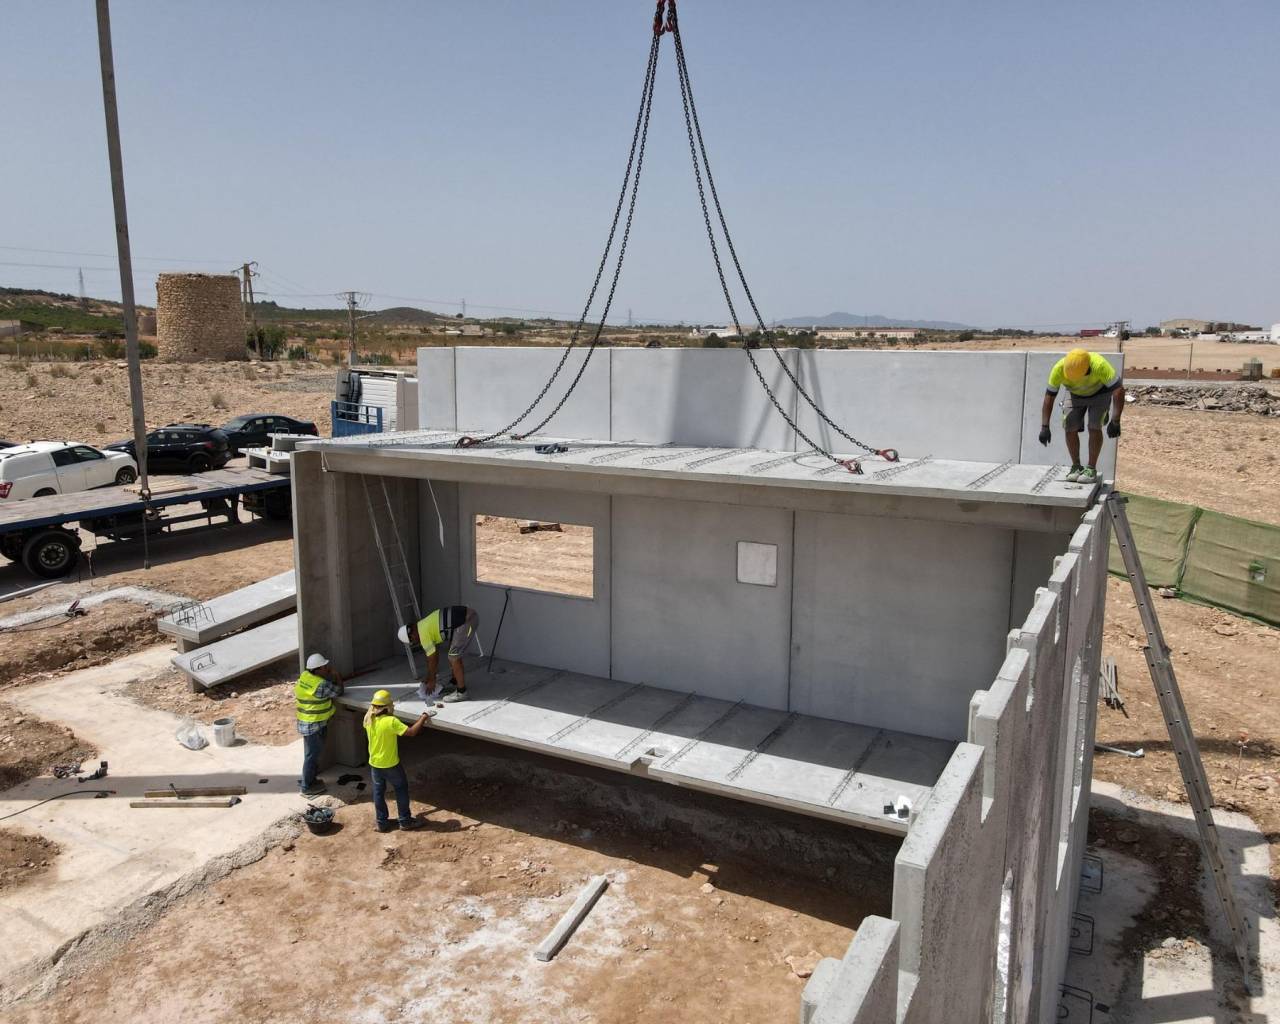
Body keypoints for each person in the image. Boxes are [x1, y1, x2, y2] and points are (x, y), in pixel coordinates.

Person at [1038, 347, 1125, 483]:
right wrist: (1044, 427)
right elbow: (1049, 397)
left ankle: (1090, 469)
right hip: (1074, 395)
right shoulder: (1058, 369)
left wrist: (1116, 420)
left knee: (1094, 426)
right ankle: (1076, 467)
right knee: (1069, 426)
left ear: (1088, 369)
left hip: (1100, 394)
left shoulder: (1099, 365)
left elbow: (1118, 391)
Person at [363, 689, 431, 833]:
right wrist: (424, 717)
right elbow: (412, 732)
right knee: (401, 789)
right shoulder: (390, 721)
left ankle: (382, 823)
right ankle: (405, 821)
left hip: (374, 764)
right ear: (387, 707)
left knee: (378, 793)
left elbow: (373, 710)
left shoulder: (369, 718)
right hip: (390, 764)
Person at [396, 605, 480, 703]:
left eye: (413, 641)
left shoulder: (423, 634)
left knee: (453, 657)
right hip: (468, 617)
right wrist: (429, 676)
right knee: (453, 651)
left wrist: (432, 680)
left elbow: (433, 658)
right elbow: (430, 657)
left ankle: (461, 692)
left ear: (411, 635)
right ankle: (455, 680)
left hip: (468, 621)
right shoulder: (422, 625)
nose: (416, 642)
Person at [295, 652, 344, 797]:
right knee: (312, 756)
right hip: (314, 725)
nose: (327, 668)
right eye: (324, 667)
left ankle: (309, 780)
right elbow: (338, 691)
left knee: (311, 755)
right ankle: (306, 787)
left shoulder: (305, 676)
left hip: (307, 722)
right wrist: (337, 676)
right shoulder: (320, 685)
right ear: (317, 670)